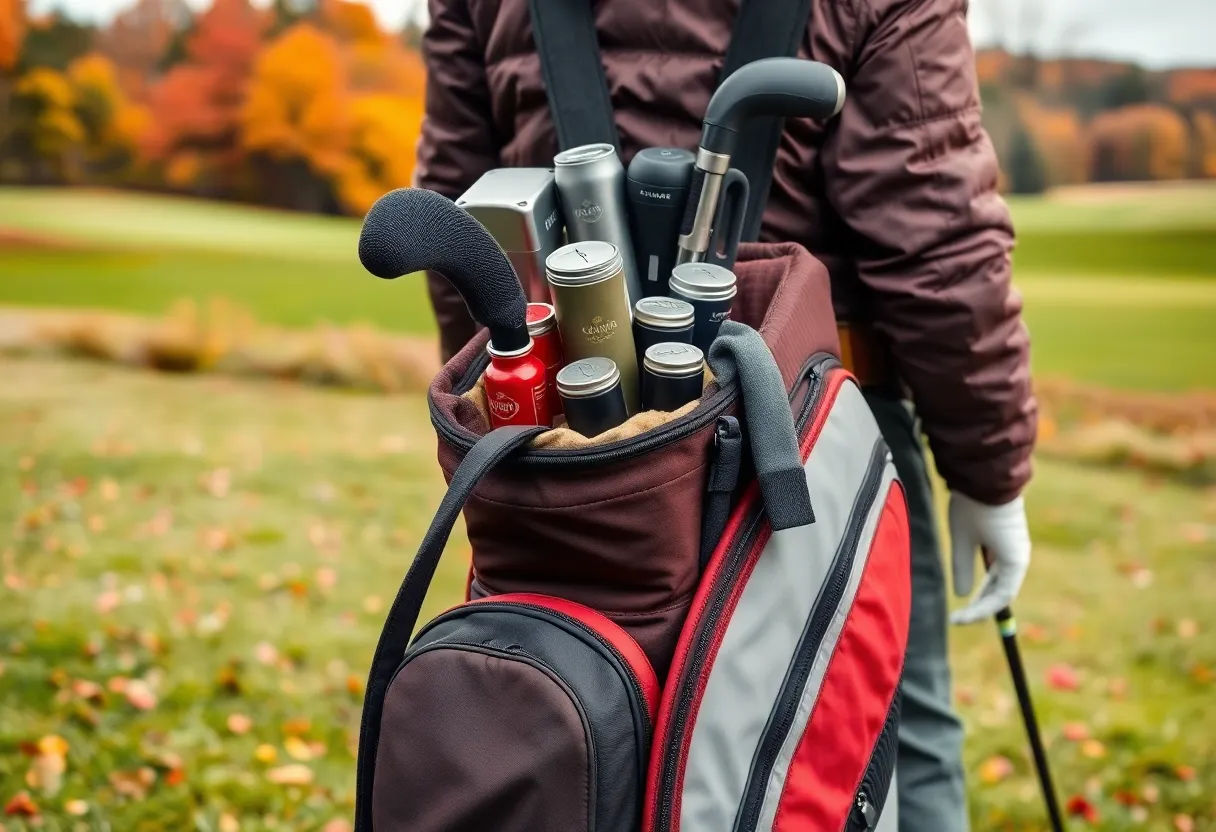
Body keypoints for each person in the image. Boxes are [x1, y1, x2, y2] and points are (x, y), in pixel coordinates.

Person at [413, 0, 1037, 828]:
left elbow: (462, 218)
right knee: (883, 730)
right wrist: (989, 470)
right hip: (825, 434)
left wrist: (512, 427)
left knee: (594, 734)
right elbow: (937, 235)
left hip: (568, 446)